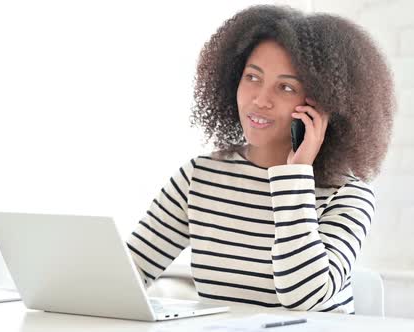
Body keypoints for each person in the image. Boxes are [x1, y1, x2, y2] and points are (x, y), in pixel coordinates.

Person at [126, 5, 395, 314]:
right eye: (252, 77)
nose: (260, 100)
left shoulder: (348, 196)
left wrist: (295, 176)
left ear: (322, 106)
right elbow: (128, 272)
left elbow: (304, 297)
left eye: (286, 87)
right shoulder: (199, 177)